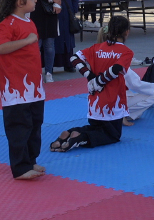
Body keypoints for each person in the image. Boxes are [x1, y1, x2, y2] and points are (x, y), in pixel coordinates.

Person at [0, 0, 46, 180]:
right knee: (19, 127)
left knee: (35, 124)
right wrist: (28, 41)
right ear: (20, 2)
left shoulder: (29, 22)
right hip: (16, 88)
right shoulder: (7, 24)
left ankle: (30, 159)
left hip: (34, 86)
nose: (35, 0)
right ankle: (20, 167)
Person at [51, 16, 133, 152]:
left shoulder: (96, 47)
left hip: (95, 102)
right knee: (113, 135)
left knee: (96, 127)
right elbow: (116, 69)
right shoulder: (126, 52)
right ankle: (79, 138)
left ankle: (69, 134)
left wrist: (90, 76)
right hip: (112, 102)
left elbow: (74, 57)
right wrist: (98, 81)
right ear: (127, 32)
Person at [52, 0, 79, 72]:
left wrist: (73, 10)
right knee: (54, 40)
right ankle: (52, 64)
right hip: (54, 15)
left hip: (67, 15)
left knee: (67, 40)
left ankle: (69, 64)